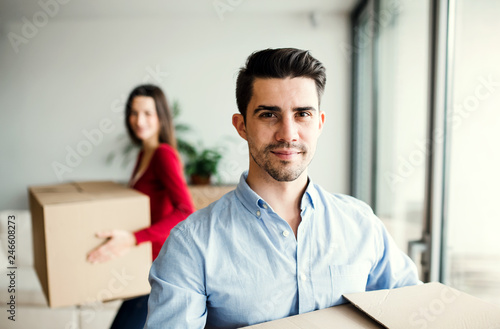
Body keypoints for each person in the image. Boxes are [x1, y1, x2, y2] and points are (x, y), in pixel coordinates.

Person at [145, 48, 420, 329]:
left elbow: (414, 311)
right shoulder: (191, 244)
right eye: (268, 115)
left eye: (302, 114)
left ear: (319, 123)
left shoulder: (361, 224)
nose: (288, 134)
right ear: (241, 126)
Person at [86, 84, 195, 329]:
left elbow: (186, 211)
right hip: (141, 263)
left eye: (147, 113)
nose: (139, 120)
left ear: (161, 116)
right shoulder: (143, 154)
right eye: (134, 113)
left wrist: (133, 238)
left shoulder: (163, 154)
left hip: (159, 268)